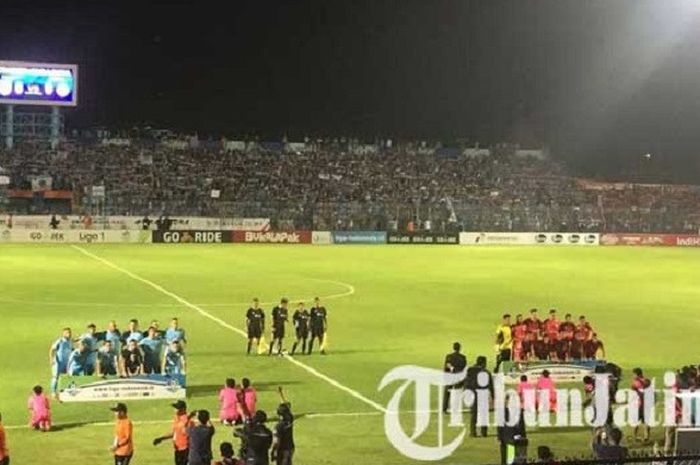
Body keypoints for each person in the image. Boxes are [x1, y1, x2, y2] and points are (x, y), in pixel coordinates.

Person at [152, 400, 194, 465]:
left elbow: (191, 436)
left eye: (176, 408)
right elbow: (174, 433)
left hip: (186, 450)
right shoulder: (176, 418)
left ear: (183, 409)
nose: (174, 409)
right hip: (177, 450)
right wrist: (161, 438)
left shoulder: (189, 421)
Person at [465, 356, 492, 438]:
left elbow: (466, 383)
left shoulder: (470, 370)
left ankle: (473, 432)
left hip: (472, 394)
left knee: (474, 414)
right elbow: (490, 385)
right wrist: (493, 396)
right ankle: (484, 432)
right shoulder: (486, 372)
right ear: (483, 363)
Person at [442, 342, 467, 413]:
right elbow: (463, 368)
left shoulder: (448, 356)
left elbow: (446, 367)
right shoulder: (463, 357)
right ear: (459, 348)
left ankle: (444, 408)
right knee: (459, 392)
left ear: (453, 348)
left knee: (447, 392)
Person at [271, 387, 294, 465]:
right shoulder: (290, 419)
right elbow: (286, 407)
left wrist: (273, 451)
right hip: (291, 447)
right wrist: (280, 394)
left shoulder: (278, 426)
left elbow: (276, 442)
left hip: (283, 450)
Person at [49, 327, 73, 398]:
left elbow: (71, 350)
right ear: (64, 334)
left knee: (67, 376)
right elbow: (52, 350)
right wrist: (51, 359)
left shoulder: (70, 341)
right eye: (67, 333)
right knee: (55, 377)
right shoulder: (59, 341)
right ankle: (53, 392)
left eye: (70, 332)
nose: (69, 334)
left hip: (67, 362)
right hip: (58, 362)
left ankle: (64, 391)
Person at [631, 367, 651, 442]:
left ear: (637, 374)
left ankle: (635, 437)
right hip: (647, 405)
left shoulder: (635, 382)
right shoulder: (647, 381)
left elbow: (633, 393)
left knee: (635, 421)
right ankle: (646, 437)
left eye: (633, 374)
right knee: (646, 422)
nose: (633, 376)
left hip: (639, 405)